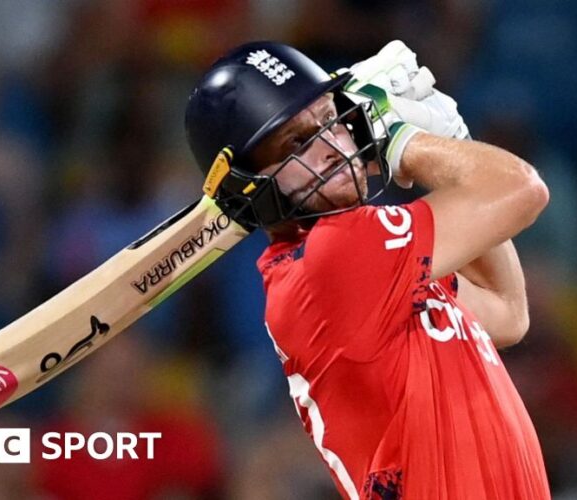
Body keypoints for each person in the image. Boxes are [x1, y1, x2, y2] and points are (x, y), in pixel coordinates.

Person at [185, 41, 550, 499]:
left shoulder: (376, 263)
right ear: (247, 185)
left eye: (329, 121)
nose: (333, 147)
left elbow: (507, 312)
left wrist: (455, 143)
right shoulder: (336, 255)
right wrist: (401, 138)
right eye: (298, 142)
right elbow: (522, 189)